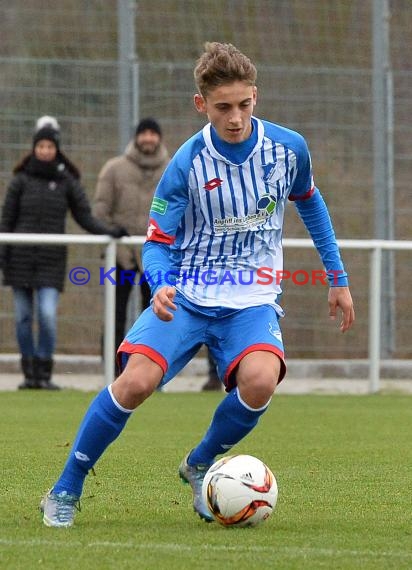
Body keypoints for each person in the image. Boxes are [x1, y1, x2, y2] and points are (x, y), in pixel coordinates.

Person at [40, 42, 354, 527]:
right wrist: (161, 283)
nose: (235, 117)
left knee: (261, 381)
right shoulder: (186, 164)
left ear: (256, 97)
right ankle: (65, 488)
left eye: (244, 105)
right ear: (200, 104)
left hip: (252, 299)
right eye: (223, 107)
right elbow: (157, 240)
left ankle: (200, 462)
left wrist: (337, 277)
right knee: (135, 383)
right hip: (188, 294)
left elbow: (310, 203)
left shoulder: (288, 149)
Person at [0, 116, 127, 390]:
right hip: (19, 261)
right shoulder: (20, 181)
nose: (45, 150)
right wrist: (3, 256)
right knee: (22, 317)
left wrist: (109, 231)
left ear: (56, 149)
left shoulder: (67, 181)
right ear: (34, 148)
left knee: (46, 314)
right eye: (41, 146)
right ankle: (29, 374)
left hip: (51, 261)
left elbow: (84, 216)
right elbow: (6, 221)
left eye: (49, 146)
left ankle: (44, 371)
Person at [92, 118, 170, 370]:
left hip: (157, 256)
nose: (148, 138)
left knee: (158, 315)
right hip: (121, 256)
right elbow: (100, 210)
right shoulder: (114, 168)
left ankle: (152, 369)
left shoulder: (172, 169)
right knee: (115, 314)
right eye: (144, 133)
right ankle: (112, 371)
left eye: (152, 133)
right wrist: (113, 234)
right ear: (136, 136)